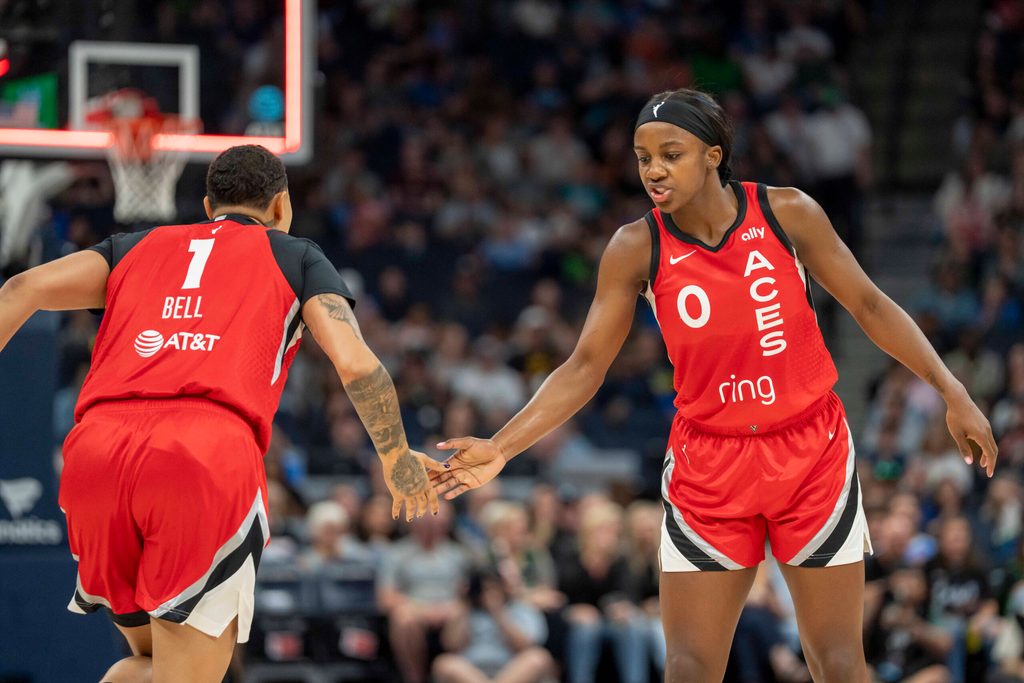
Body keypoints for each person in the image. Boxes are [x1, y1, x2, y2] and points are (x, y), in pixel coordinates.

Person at [431, 88, 999, 682]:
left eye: (670, 154)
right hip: (709, 464)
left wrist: (951, 390)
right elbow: (582, 367)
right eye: (642, 156)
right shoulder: (635, 247)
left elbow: (870, 306)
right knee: (689, 667)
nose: (653, 170)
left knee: (837, 661)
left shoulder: (787, 212)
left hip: (811, 451)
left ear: (713, 154)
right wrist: (501, 446)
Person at [0, 144, 444, 682]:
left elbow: (21, 289)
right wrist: (396, 457)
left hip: (97, 450)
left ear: (210, 204)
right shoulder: (295, 255)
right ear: (281, 206)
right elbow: (355, 363)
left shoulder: (135, 246)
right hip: (202, 451)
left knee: (147, 665)